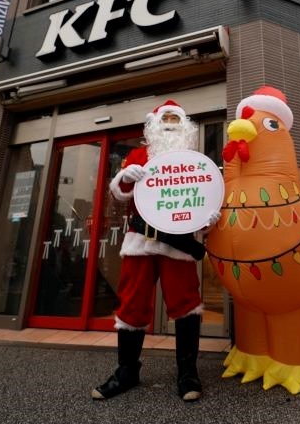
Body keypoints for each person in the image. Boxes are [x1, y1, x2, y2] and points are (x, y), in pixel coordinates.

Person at [91, 100, 218, 402]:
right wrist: (124, 177)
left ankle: (188, 373)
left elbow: (201, 198)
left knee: (186, 304)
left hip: (179, 243)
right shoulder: (139, 155)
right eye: (166, 119)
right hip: (142, 241)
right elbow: (119, 195)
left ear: (184, 126)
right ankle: (126, 372)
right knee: (132, 303)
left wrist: (208, 219)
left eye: (175, 119)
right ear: (155, 125)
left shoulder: (194, 161)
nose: (170, 124)